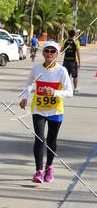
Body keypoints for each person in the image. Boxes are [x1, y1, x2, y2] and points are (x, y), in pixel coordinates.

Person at [20, 40, 73, 184]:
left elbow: (70, 92)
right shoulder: (37, 69)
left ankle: (49, 167)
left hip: (55, 111)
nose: (49, 53)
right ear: (43, 53)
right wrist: (25, 97)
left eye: (53, 51)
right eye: (47, 51)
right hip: (39, 109)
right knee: (39, 138)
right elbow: (29, 84)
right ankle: (38, 171)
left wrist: (54, 92)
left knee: (51, 140)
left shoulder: (62, 71)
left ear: (57, 54)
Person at [62, 27, 81, 95]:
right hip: (73, 61)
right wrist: (79, 62)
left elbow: (61, 50)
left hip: (66, 60)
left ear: (68, 34)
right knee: (75, 76)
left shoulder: (65, 41)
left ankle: (65, 88)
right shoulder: (76, 42)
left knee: (65, 75)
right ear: (74, 35)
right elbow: (78, 52)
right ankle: (75, 89)